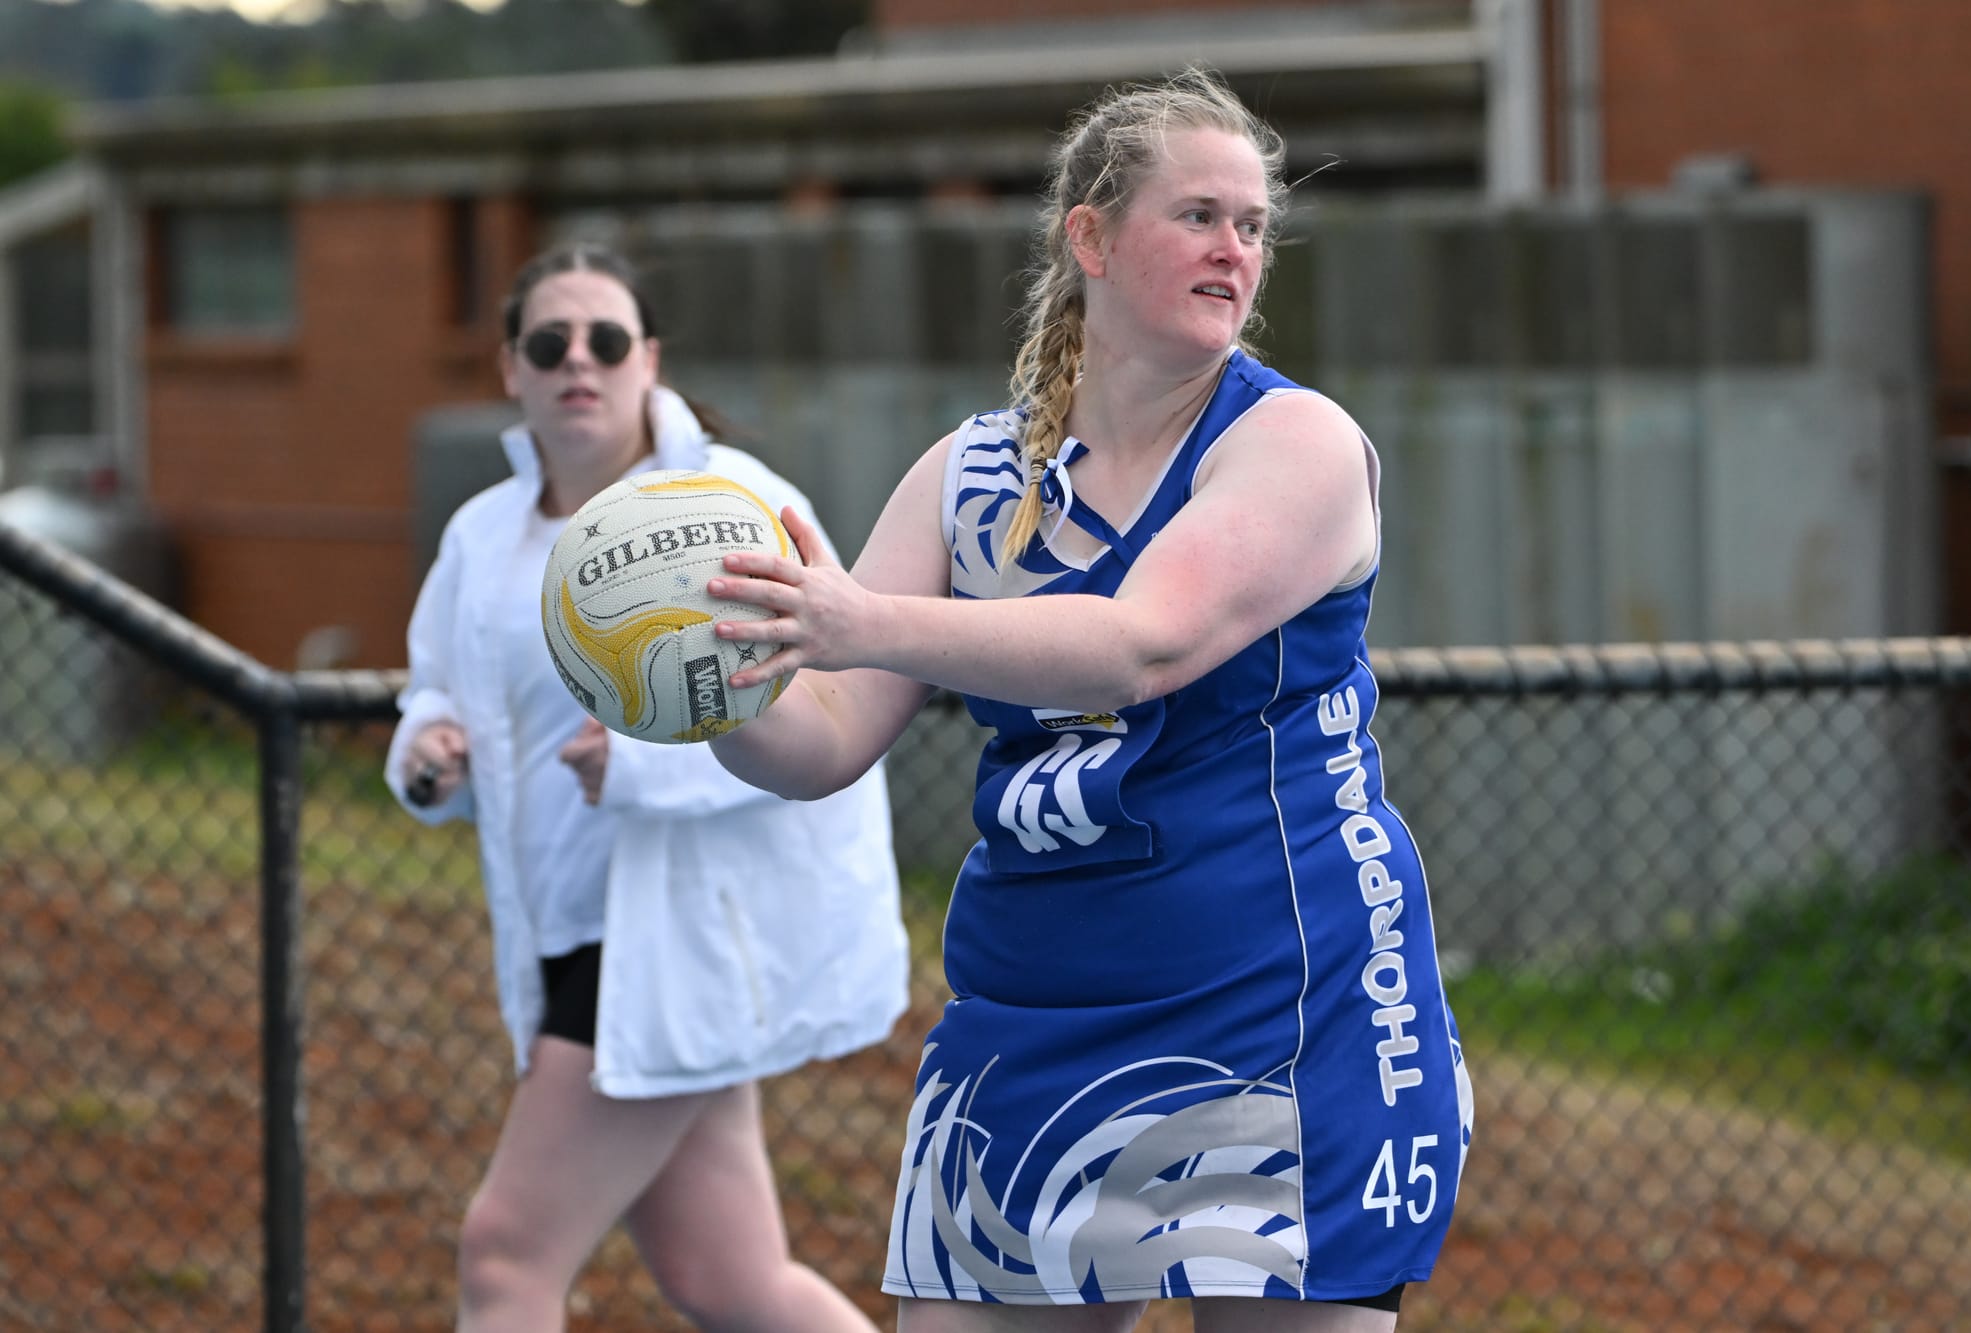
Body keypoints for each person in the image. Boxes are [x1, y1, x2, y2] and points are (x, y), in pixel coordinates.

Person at [704, 68, 1472, 1332]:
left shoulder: (1293, 444)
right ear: (1091, 238)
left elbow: (1140, 644)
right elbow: (824, 739)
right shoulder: (968, 474)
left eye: (1251, 224)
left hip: (1281, 1012)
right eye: (1198, 215)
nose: (1234, 248)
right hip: (1034, 1013)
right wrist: (704, 682)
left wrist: (854, 619)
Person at [384, 241, 907, 1333]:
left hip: (670, 937)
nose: (579, 360)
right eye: (548, 342)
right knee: (730, 1279)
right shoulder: (481, 535)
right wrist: (430, 750)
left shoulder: (736, 504)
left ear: (649, 359)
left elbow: (820, 708)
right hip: (561, 921)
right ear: (510, 368)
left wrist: (635, 765)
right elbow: (436, 683)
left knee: (505, 1254)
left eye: (607, 339)